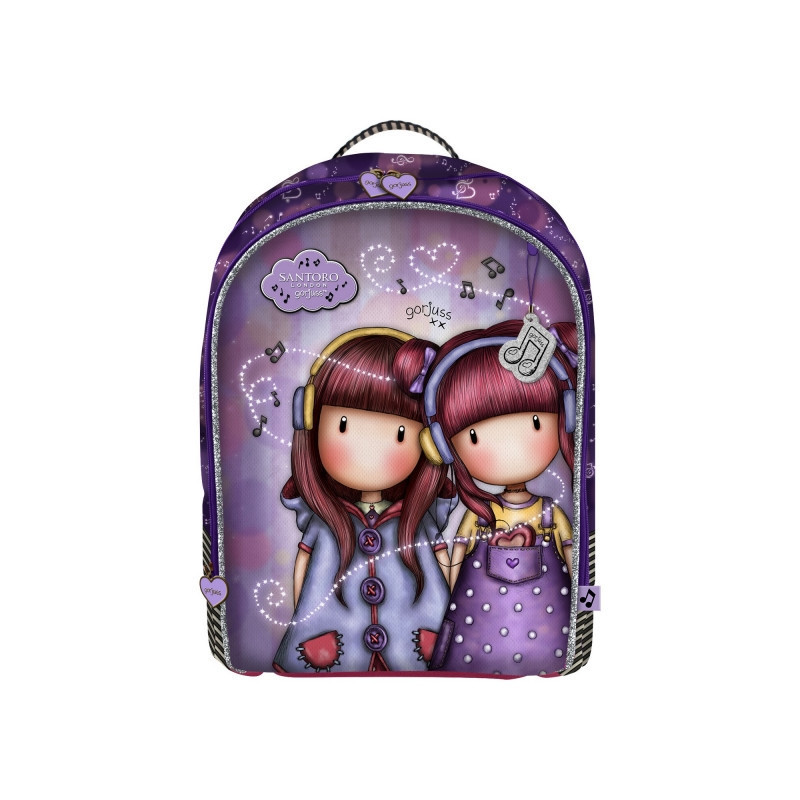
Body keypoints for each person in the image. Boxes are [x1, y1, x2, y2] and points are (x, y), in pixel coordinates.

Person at [272, 328, 455, 673]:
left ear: (430, 442)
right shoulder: (323, 519)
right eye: (343, 426)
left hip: (416, 642)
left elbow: (444, 567)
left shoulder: (420, 518)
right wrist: (304, 620)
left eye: (400, 434)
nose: (369, 451)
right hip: (333, 643)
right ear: (308, 419)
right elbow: (303, 572)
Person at [422, 320, 578, 676]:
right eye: (475, 436)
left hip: (550, 636)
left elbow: (577, 562)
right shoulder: (479, 514)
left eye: (535, 423)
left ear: (566, 417)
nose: (510, 449)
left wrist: (592, 607)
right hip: (476, 635)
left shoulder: (550, 514)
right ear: (443, 445)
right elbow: (456, 560)